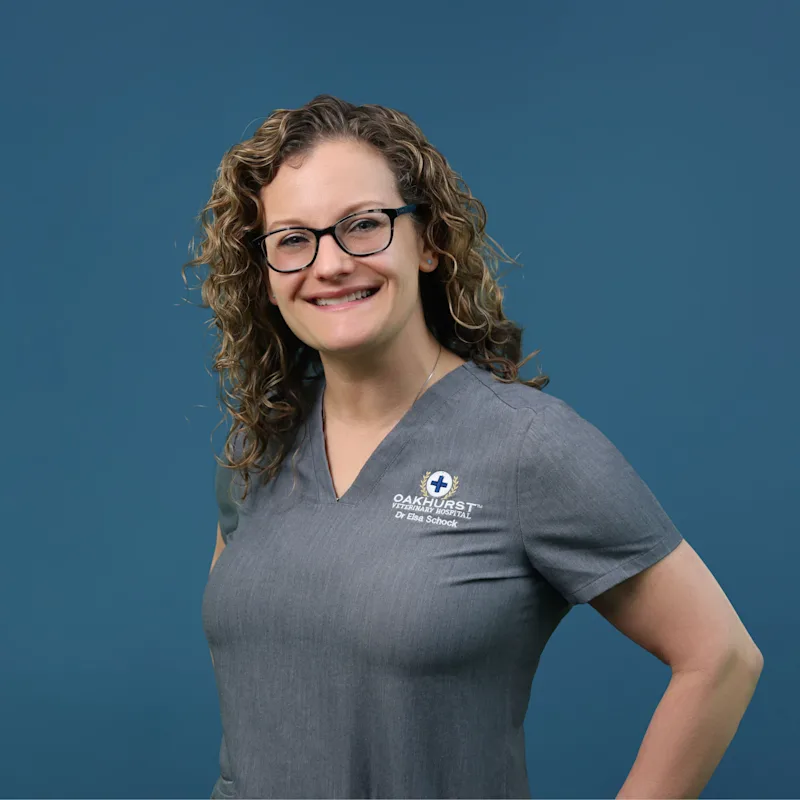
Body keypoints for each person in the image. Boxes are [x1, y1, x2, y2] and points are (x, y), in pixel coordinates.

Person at [185, 95, 763, 800]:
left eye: (363, 225)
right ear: (266, 273)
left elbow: (722, 658)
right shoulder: (260, 447)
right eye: (293, 239)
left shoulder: (527, 447)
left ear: (428, 241)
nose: (329, 263)